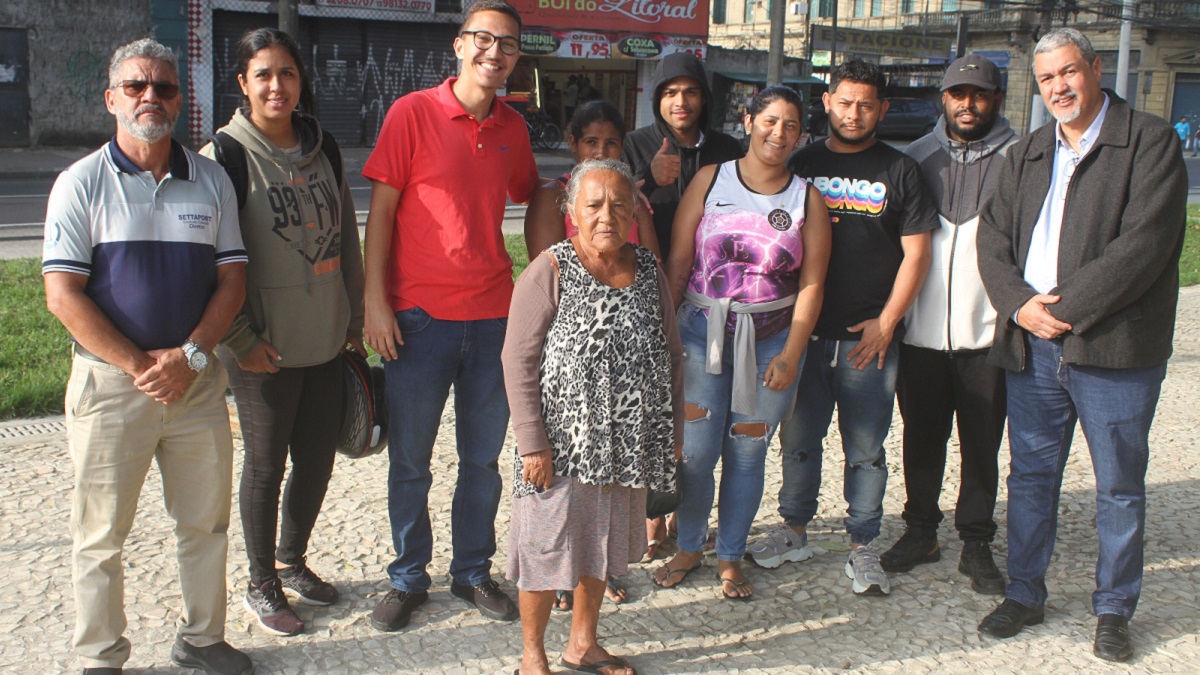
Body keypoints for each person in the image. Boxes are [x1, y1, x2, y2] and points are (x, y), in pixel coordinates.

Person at [42, 38, 253, 675]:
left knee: (204, 526)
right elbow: (62, 295)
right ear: (112, 99)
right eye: (136, 87)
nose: (150, 97)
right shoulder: (80, 183)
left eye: (163, 87)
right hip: (112, 387)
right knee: (101, 536)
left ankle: (202, 639)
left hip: (195, 383)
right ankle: (101, 656)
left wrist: (189, 357)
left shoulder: (211, 178)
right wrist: (142, 366)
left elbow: (232, 280)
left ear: (180, 101)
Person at [975, 28, 1187, 662]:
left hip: (1113, 349)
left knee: (1119, 484)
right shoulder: (1029, 151)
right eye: (1046, 79)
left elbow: (1142, 248)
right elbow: (992, 241)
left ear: (1095, 69)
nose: (1059, 87)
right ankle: (1024, 592)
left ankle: (1114, 609)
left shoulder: (1147, 140)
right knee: (1033, 477)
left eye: (1069, 72)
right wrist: (1019, 305)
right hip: (1033, 346)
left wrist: (1057, 311)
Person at [361, 0, 540, 632]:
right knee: (409, 461)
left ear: (518, 57)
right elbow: (381, 214)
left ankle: (471, 572)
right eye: (484, 39)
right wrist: (375, 302)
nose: (496, 52)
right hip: (418, 320)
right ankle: (408, 578)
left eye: (509, 44)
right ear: (459, 45)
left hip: (493, 319)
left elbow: (532, 192)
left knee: (483, 461)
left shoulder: (513, 129)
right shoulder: (411, 113)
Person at [745, 60, 936, 597]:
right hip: (802, 333)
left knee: (866, 447)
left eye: (867, 104)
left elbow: (916, 255)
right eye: (845, 102)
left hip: (865, 339)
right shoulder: (799, 164)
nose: (855, 113)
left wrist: (887, 323)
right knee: (799, 439)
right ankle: (795, 528)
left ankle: (863, 544)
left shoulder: (900, 170)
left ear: (883, 109)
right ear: (827, 102)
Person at [200, 28, 365, 637]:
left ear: (301, 82)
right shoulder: (224, 156)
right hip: (262, 348)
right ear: (242, 83)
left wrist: (352, 322)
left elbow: (348, 235)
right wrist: (240, 339)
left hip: (324, 339)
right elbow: (207, 261)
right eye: (263, 74)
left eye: (287, 73)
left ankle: (292, 563)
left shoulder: (323, 147)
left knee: (317, 461)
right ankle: (260, 580)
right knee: (266, 466)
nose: (277, 85)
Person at [503, 158, 682, 675]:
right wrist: (532, 443)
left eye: (620, 204)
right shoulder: (550, 269)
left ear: (634, 212)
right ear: (573, 212)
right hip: (560, 446)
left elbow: (670, 352)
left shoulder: (647, 268)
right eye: (595, 204)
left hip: (627, 442)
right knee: (544, 546)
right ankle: (532, 656)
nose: (608, 215)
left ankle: (582, 643)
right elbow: (516, 358)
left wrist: (669, 433)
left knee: (599, 545)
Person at [653, 86, 831, 600]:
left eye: (791, 125)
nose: (778, 133)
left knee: (749, 452)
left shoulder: (806, 198)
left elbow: (813, 282)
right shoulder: (712, 180)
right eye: (770, 121)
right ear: (749, 121)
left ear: (802, 134)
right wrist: (667, 339)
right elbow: (679, 261)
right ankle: (689, 545)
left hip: (771, 343)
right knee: (695, 453)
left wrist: (793, 354)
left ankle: (730, 555)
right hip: (699, 335)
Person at [878, 54, 1018, 595]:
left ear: (996, 99)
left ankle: (977, 539)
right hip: (922, 333)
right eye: (958, 93)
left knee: (982, 441)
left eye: (979, 94)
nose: (968, 103)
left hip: (989, 334)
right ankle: (920, 531)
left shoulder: (1022, 157)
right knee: (921, 436)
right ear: (944, 97)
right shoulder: (914, 158)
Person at [621, 52, 744, 259]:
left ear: (704, 97)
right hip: (649, 273)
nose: (681, 102)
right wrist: (649, 179)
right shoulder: (632, 145)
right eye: (670, 93)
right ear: (658, 98)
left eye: (691, 92)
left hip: (715, 276)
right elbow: (616, 212)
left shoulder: (729, 150)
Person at [524, 100, 659, 262]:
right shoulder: (552, 197)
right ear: (574, 143)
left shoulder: (634, 200)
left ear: (621, 146)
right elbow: (546, 273)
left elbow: (654, 269)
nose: (601, 153)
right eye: (591, 142)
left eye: (611, 143)